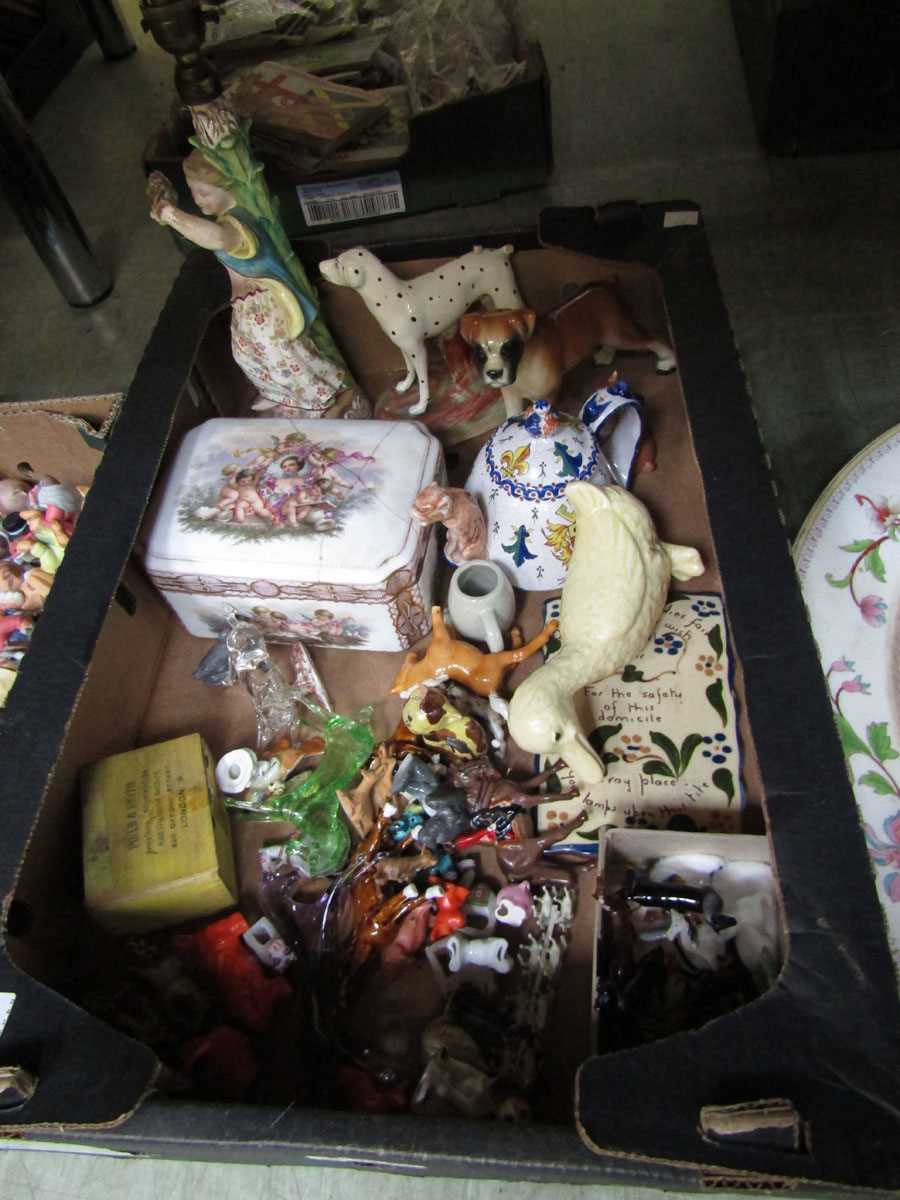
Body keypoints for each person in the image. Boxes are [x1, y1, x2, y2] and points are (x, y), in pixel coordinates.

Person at [147, 152, 369, 419]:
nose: (197, 200)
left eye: (204, 192)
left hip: (266, 303)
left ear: (228, 185)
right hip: (246, 304)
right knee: (245, 354)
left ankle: (324, 399)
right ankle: (284, 396)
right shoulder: (227, 219)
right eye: (193, 192)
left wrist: (171, 214)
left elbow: (216, 238)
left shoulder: (237, 225)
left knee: (284, 355)